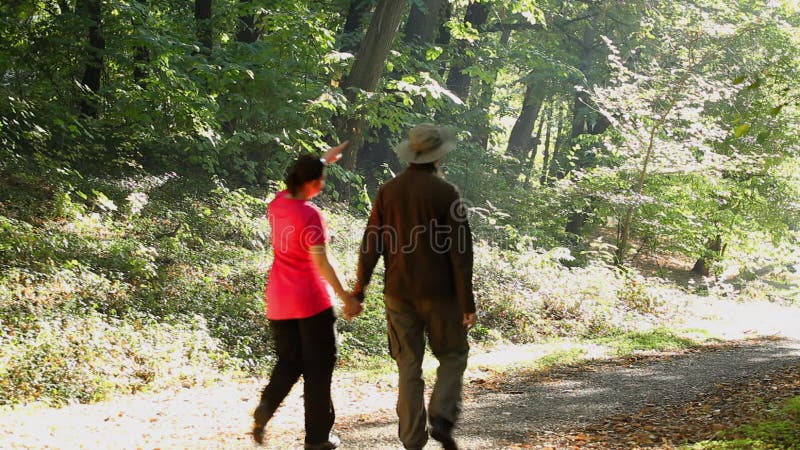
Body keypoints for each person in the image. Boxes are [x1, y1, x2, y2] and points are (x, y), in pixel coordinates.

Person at [351, 123, 477, 450]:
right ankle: (442, 416)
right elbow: (461, 253)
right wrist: (467, 303)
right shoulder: (446, 193)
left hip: (398, 293)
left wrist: (360, 288)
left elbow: (372, 244)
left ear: (411, 153)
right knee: (453, 354)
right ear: (437, 157)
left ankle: (411, 439)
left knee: (408, 366)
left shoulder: (388, 192)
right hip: (441, 295)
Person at [253, 142, 363, 449]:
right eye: (321, 180)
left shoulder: (277, 204)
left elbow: (298, 182)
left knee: (289, 362)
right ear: (313, 184)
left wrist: (323, 161)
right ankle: (317, 439)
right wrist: (347, 297)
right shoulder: (310, 216)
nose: (323, 185)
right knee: (318, 371)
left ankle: (266, 407)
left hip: (278, 299)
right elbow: (322, 263)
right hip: (311, 302)